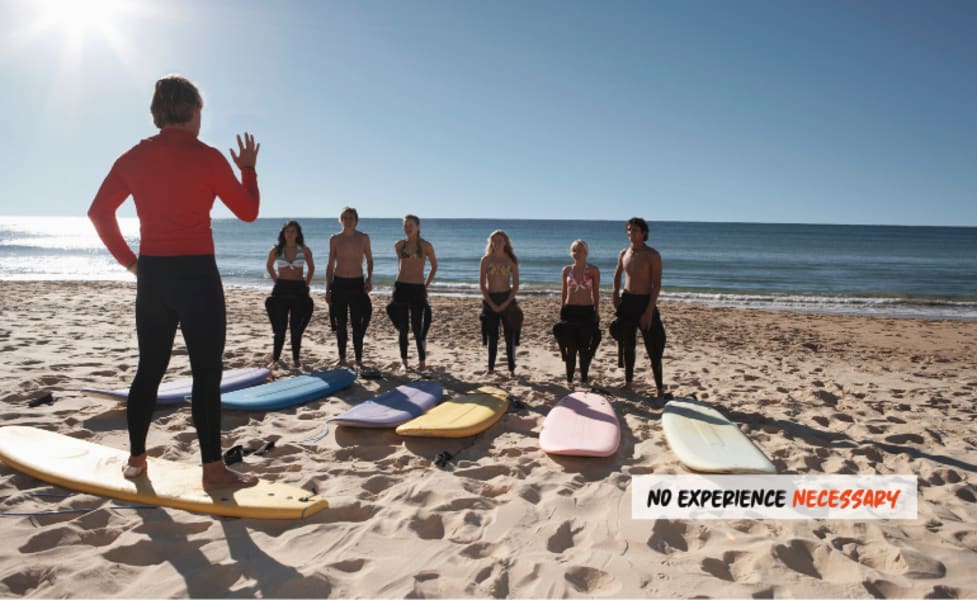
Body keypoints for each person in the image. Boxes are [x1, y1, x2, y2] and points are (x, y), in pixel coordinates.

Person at [87, 74, 260, 490]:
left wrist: (132, 264)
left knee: (149, 368)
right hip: (198, 274)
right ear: (194, 111)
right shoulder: (209, 157)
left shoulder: (132, 157)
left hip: (154, 276)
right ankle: (213, 471)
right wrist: (249, 170)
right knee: (205, 372)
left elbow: (99, 213)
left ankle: (136, 461)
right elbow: (249, 212)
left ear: (158, 113)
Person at [610, 217, 667, 396]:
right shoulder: (624, 253)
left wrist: (649, 311)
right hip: (627, 301)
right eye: (628, 230)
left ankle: (659, 387)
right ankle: (628, 383)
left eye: (634, 230)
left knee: (654, 346)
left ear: (643, 233)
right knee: (628, 345)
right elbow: (617, 274)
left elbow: (656, 285)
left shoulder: (652, 255)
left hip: (645, 302)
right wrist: (614, 293)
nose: (630, 233)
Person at [386, 214, 437, 371]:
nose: (408, 228)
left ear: (418, 226)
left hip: (417, 289)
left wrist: (425, 285)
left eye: (411, 225)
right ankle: (404, 362)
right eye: (405, 225)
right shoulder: (399, 245)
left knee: (417, 327)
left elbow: (434, 266)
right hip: (401, 287)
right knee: (403, 328)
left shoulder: (426, 245)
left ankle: (422, 362)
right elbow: (400, 266)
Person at [325, 207, 373, 367]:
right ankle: (342, 358)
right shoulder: (334, 239)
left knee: (357, 323)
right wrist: (327, 289)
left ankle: (359, 359)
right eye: (345, 218)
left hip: (357, 284)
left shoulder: (363, 238)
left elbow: (370, 260)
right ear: (341, 220)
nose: (348, 220)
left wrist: (369, 279)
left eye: (351, 218)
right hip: (339, 284)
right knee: (340, 324)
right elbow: (330, 264)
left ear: (356, 220)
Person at [265, 220, 315, 369]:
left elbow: (311, 268)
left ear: (297, 233)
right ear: (283, 233)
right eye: (287, 231)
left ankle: (296, 359)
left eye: (293, 231)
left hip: (299, 289)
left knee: (296, 328)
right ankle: (275, 359)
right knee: (279, 328)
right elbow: (269, 266)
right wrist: (277, 281)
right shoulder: (276, 250)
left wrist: (305, 283)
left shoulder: (304, 250)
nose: (290, 234)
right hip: (281, 289)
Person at [553, 239, 601, 385]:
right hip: (569, 311)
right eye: (574, 250)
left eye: (580, 250)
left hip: (586, 311)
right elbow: (564, 291)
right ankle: (569, 379)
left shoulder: (593, 270)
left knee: (584, 348)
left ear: (586, 253)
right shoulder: (567, 270)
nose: (577, 253)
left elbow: (596, 292)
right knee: (571, 348)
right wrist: (562, 308)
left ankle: (584, 379)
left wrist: (597, 310)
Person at [479, 230, 522, 377]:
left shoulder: (511, 260)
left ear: (505, 242)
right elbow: (482, 285)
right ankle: (490, 368)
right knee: (492, 337)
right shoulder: (486, 260)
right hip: (490, 299)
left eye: (500, 240)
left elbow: (516, 285)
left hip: (507, 300)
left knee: (509, 336)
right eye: (494, 240)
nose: (497, 243)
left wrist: (505, 303)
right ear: (491, 242)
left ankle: (511, 370)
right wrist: (491, 303)